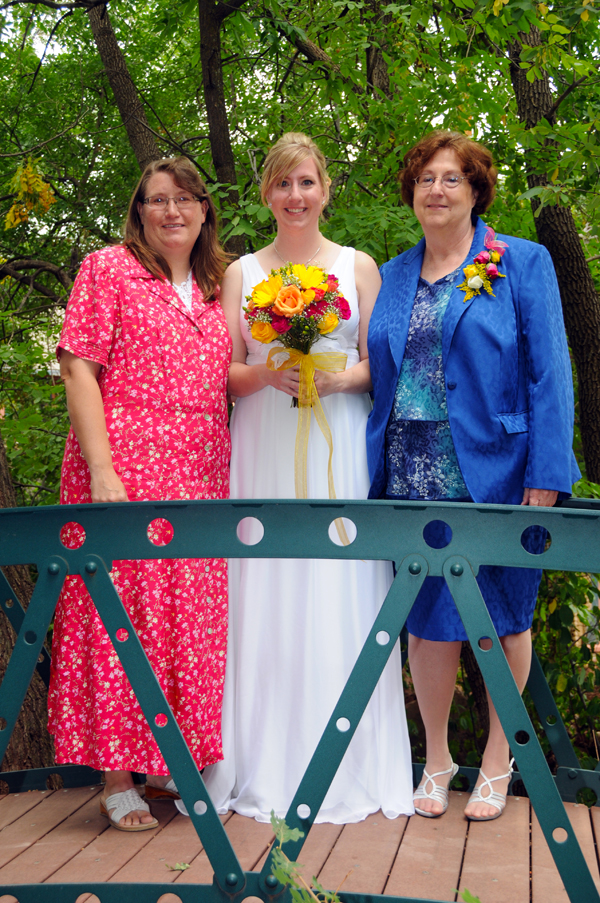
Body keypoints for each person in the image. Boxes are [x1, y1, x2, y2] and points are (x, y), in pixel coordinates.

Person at [367, 130, 579, 822]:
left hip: (500, 470)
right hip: (410, 470)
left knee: (505, 616)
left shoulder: (521, 262)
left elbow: (551, 372)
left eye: (451, 178)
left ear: (476, 190)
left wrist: (547, 470)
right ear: (412, 191)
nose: (436, 189)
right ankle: (435, 759)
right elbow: (379, 372)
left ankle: (497, 758)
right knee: (427, 624)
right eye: (425, 177)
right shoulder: (396, 274)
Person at [202, 132, 414, 823]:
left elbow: (382, 364)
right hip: (264, 440)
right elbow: (225, 377)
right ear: (266, 194)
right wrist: (270, 372)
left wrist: (333, 378)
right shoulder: (241, 272)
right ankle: (257, 758)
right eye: (283, 184)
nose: (295, 196)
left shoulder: (359, 267)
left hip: (338, 440)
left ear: (326, 189)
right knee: (264, 583)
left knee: (339, 580)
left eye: (307, 182)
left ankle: (349, 762)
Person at [47, 157, 232, 831]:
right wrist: (101, 467)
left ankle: (166, 768)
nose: (172, 211)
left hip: (202, 476)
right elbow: (79, 369)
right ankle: (116, 774)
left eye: (185, 198)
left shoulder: (220, 286)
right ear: (141, 211)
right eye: (158, 200)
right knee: (118, 615)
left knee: (188, 622)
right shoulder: (109, 269)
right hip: (123, 467)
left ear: (205, 209)